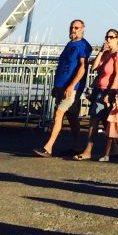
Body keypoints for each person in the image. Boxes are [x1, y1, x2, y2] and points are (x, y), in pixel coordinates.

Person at [34, 19, 93, 157]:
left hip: (72, 88)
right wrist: (57, 86)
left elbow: (82, 67)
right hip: (61, 85)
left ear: (83, 29)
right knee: (72, 117)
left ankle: (48, 147)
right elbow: (63, 66)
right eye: (72, 27)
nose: (73, 30)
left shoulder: (83, 46)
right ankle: (78, 146)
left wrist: (72, 85)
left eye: (77, 28)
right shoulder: (69, 44)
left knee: (58, 114)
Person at [74, 29, 118, 160]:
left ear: (117, 39)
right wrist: (102, 51)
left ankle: (88, 150)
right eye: (107, 37)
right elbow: (95, 67)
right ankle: (115, 149)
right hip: (98, 88)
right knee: (106, 121)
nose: (108, 39)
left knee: (94, 119)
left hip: (107, 91)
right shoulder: (108, 53)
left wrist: (110, 93)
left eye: (111, 37)